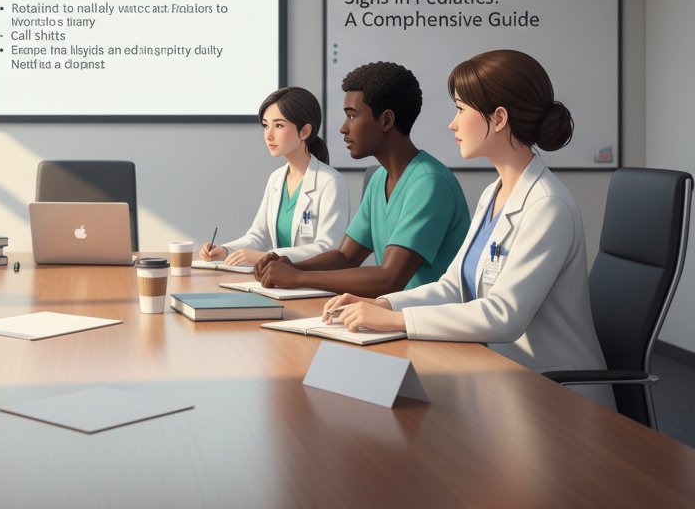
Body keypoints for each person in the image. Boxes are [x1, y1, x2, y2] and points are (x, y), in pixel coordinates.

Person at [321, 50, 614, 408]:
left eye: (461, 109)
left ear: (499, 118)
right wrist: (381, 303)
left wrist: (395, 321)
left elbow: (503, 316)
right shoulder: (494, 193)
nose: (452, 124)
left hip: (552, 395)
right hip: (496, 377)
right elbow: (453, 287)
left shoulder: (547, 206)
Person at [256, 62, 470, 296]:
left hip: (430, 323)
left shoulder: (429, 183)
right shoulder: (379, 178)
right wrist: (290, 265)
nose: (343, 128)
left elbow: (390, 278)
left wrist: (298, 277)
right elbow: (346, 256)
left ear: (386, 121)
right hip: (395, 316)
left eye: (351, 116)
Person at [200, 87, 349, 267]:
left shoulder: (331, 182)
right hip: (279, 281)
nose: (268, 135)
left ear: (304, 131)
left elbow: (327, 249)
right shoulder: (276, 179)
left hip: (313, 282)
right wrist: (225, 250)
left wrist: (268, 256)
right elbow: (259, 237)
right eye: (266, 125)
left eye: (279, 125)